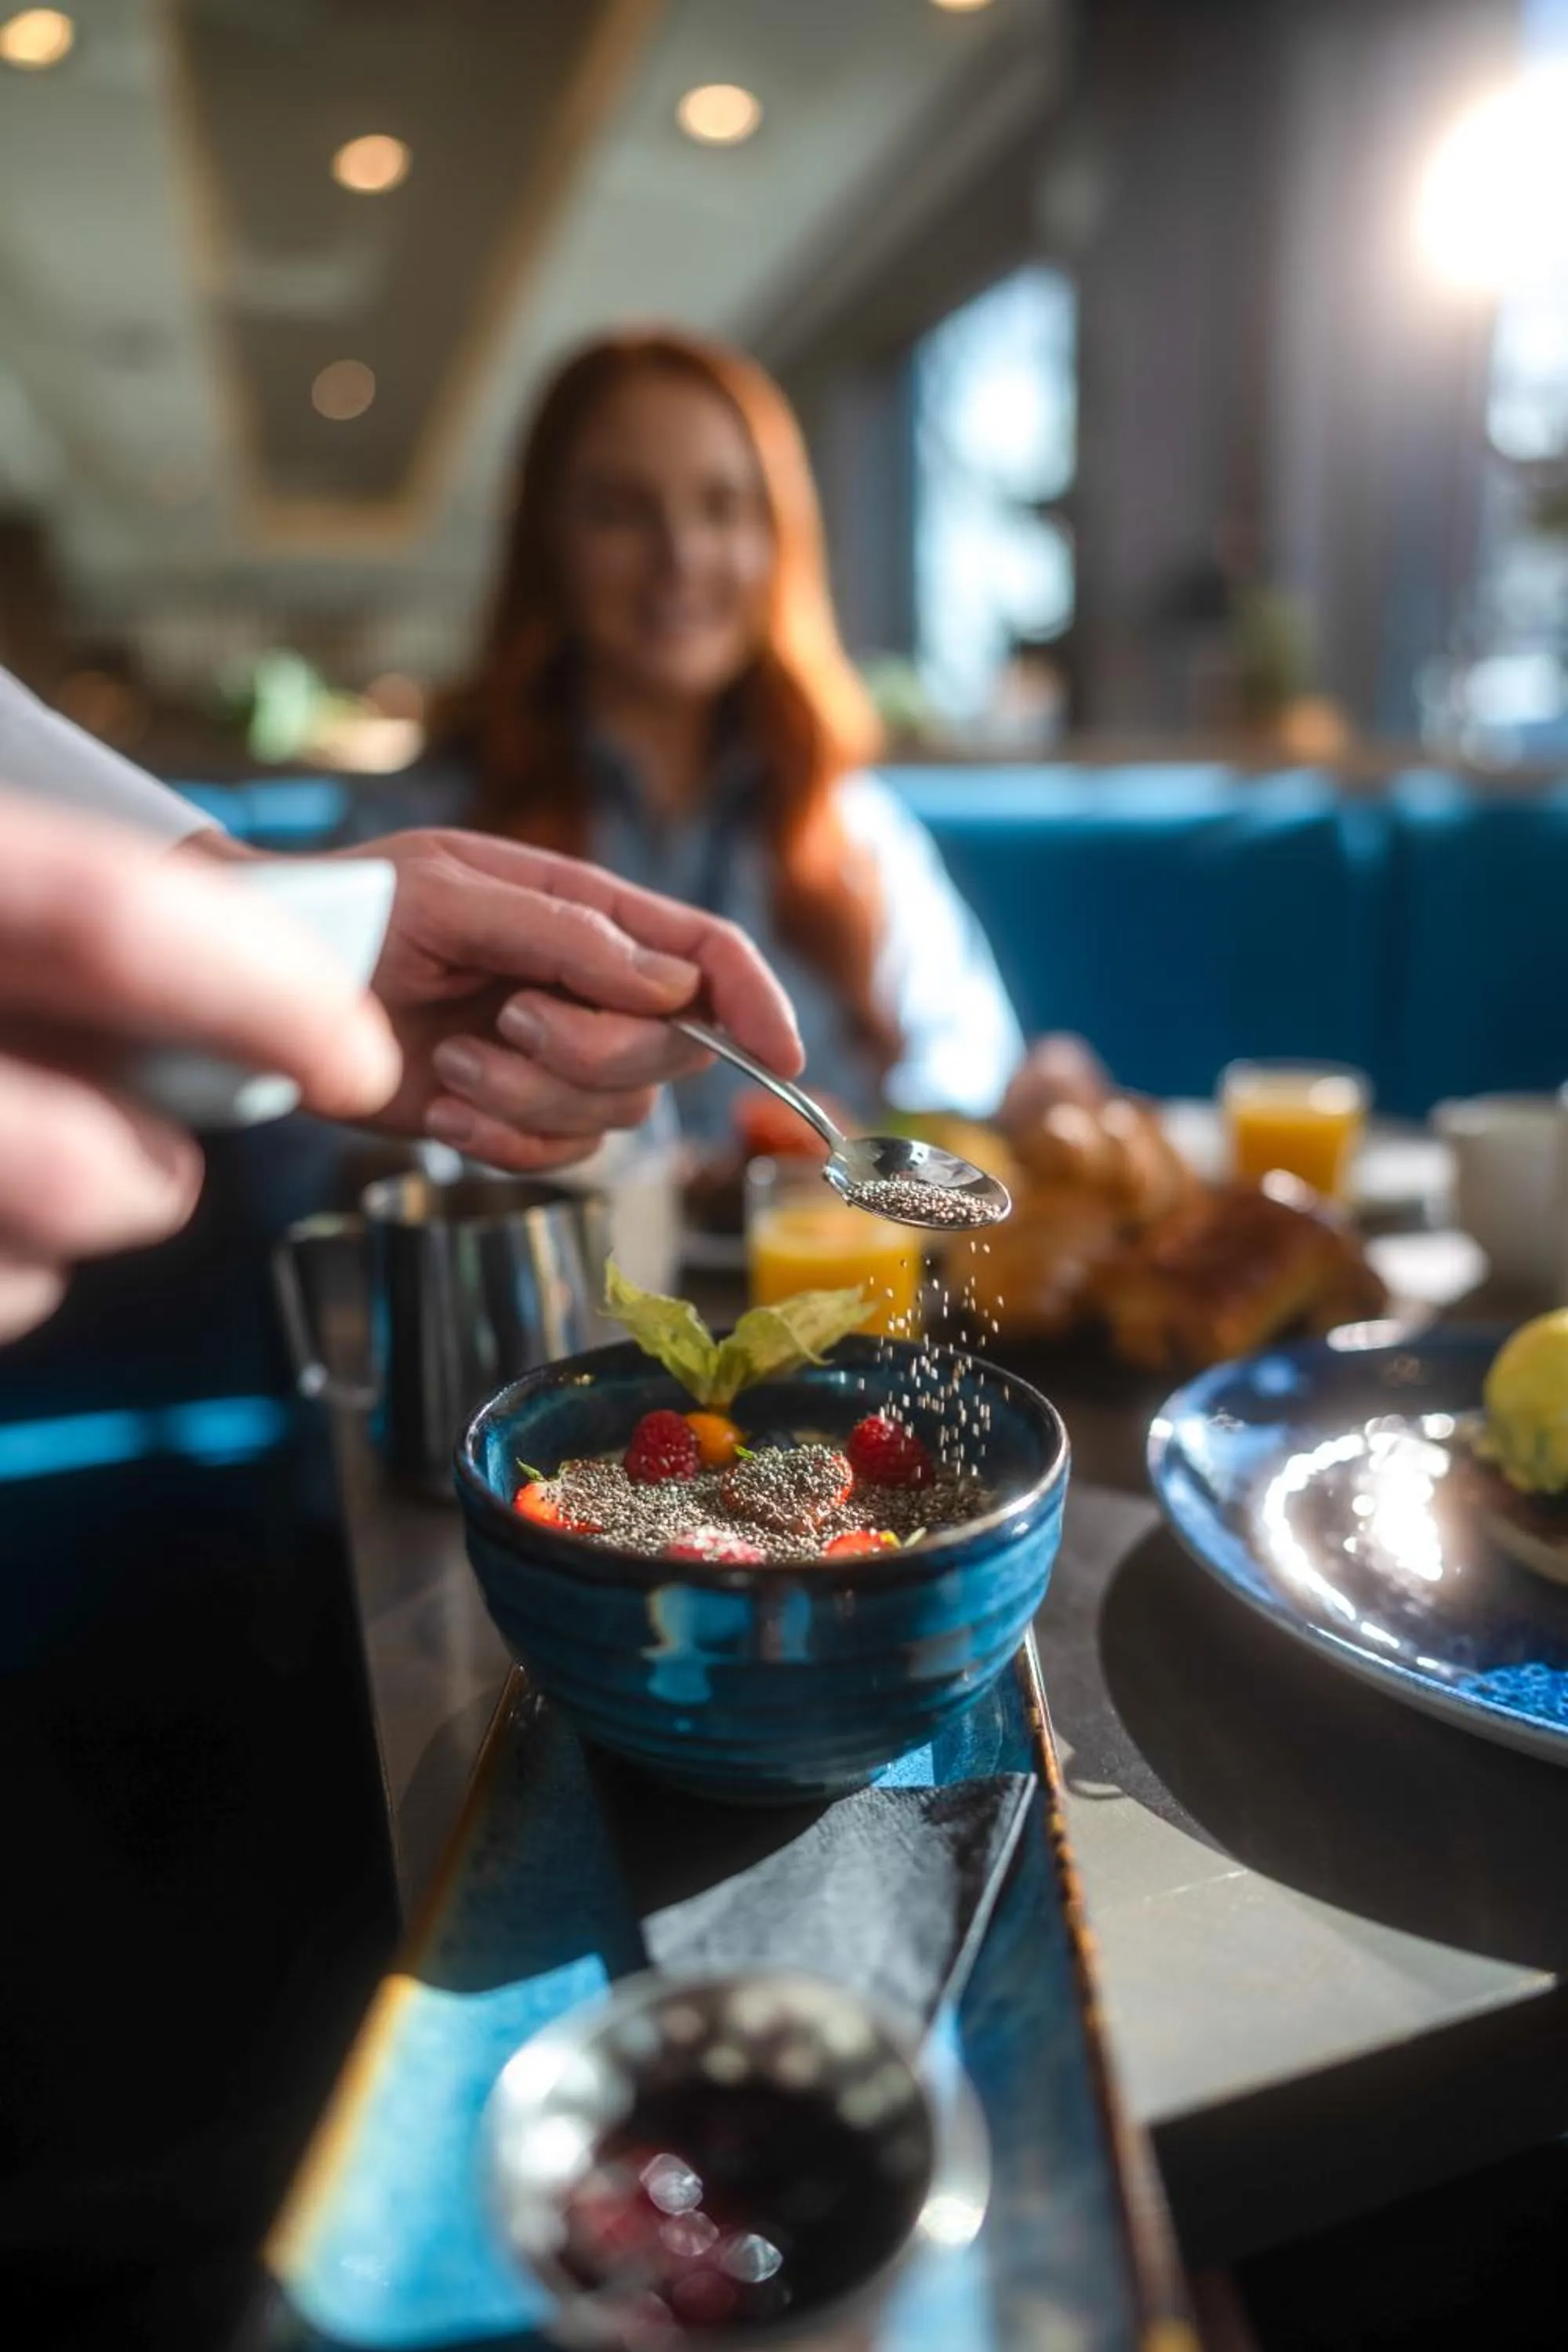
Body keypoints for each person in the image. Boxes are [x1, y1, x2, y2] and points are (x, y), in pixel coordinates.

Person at [0, 666, 802, 1343]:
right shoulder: (427, 792)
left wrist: (255, 900)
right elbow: (300, 1190)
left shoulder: (829, 823)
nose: (680, 555)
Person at [431, 328, 1024, 1143]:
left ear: (777, 540)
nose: (681, 555)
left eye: (722, 507)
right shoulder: (432, 833)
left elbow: (968, 1067)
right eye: (620, 513)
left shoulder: (852, 828)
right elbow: (314, 1160)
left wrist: (1014, 1109)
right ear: (548, 544)